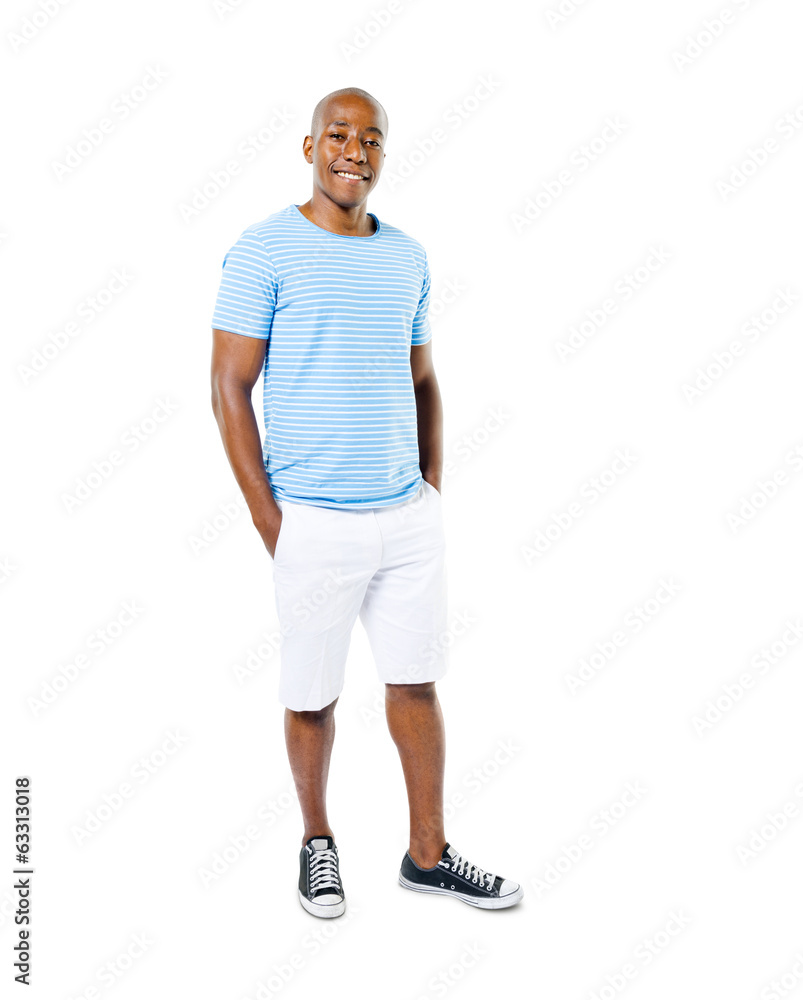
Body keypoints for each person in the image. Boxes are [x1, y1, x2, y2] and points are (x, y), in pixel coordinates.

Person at [210, 87, 522, 917]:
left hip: (406, 519)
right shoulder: (261, 251)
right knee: (311, 695)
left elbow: (421, 379)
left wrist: (430, 490)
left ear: (384, 155)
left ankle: (427, 856)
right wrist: (271, 521)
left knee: (415, 684)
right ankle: (317, 844)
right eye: (338, 135)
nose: (355, 150)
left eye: (371, 138)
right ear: (308, 147)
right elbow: (229, 391)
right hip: (311, 518)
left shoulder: (407, 256)